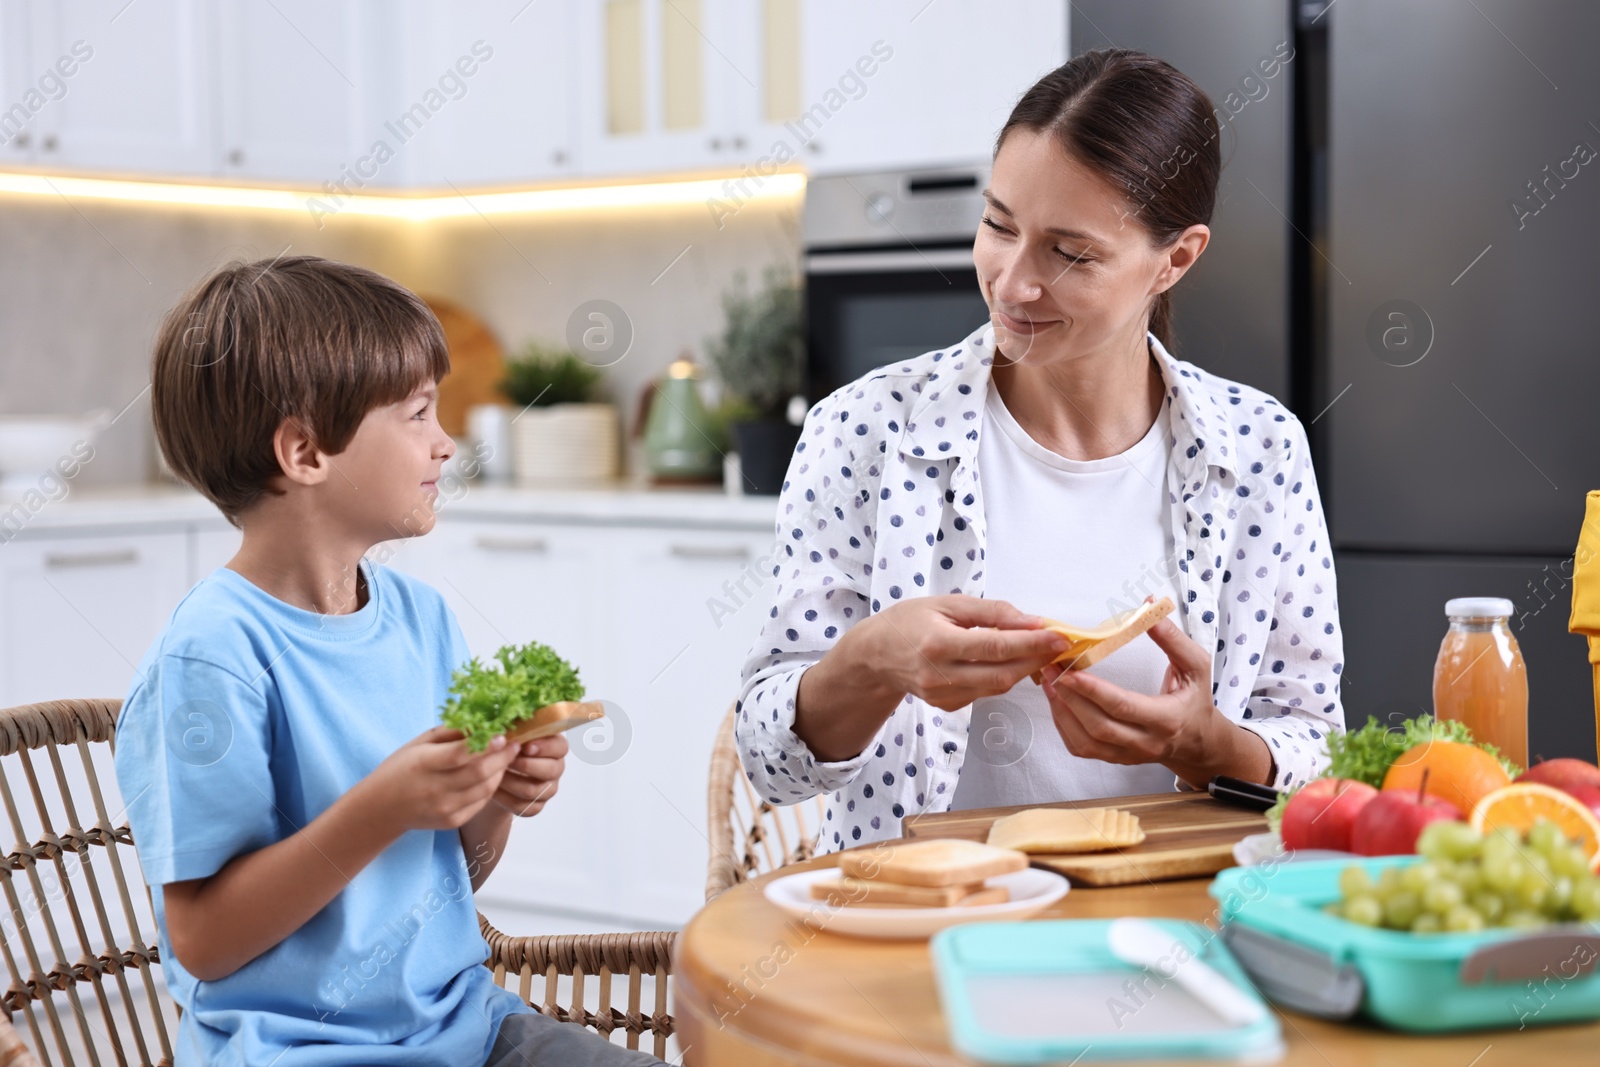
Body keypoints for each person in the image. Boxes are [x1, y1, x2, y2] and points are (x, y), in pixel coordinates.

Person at [735, 48, 1344, 851]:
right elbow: (772, 764)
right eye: (998, 224)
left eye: (1071, 253)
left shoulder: (1261, 447)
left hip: (1179, 928)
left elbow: (1319, 747)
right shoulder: (865, 429)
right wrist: (875, 660)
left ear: (1177, 258)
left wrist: (1208, 745)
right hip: (923, 933)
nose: (1013, 283)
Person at [114, 256, 660, 1066]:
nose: (445, 443)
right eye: (417, 414)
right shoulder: (214, 657)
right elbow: (203, 939)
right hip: (298, 1050)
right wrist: (383, 807)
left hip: (465, 1026)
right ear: (305, 452)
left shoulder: (422, 619)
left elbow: (449, 881)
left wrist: (493, 799)